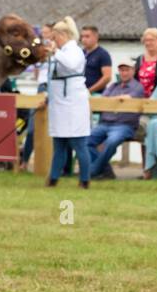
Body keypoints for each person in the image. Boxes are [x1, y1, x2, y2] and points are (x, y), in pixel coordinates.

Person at [45, 16, 93, 189]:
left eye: (55, 36)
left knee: (79, 144)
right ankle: (53, 178)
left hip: (73, 104)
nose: (53, 40)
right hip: (59, 103)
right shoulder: (61, 52)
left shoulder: (74, 51)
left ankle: (85, 179)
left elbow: (72, 65)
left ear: (63, 35)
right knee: (59, 144)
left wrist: (55, 53)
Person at [88, 59, 143, 179]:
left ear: (133, 71)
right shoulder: (113, 86)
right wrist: (114, 100)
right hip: (105, 123)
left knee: (112, 142)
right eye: (122, 70)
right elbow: (103, 100)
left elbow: (127, 98)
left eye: (127, 70)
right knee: (86, 140)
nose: (124, 73)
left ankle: (93, 171)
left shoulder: (138, 87)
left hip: (124, 125)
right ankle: (105, 170)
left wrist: (113, 100)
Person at [136, 27, 157, 97]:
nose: (148, 43)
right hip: (139, 98)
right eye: (146, 40)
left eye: (151, 40)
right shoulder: (140, 59)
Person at [80, 25, 113, 94]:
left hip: (96, 94)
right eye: (82, 36)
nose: (84, 39)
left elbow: (107, 77)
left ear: (96, 37)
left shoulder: (103, 54)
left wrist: (90, 90)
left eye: (87, 36)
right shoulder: (80, 53)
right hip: (80, 93)